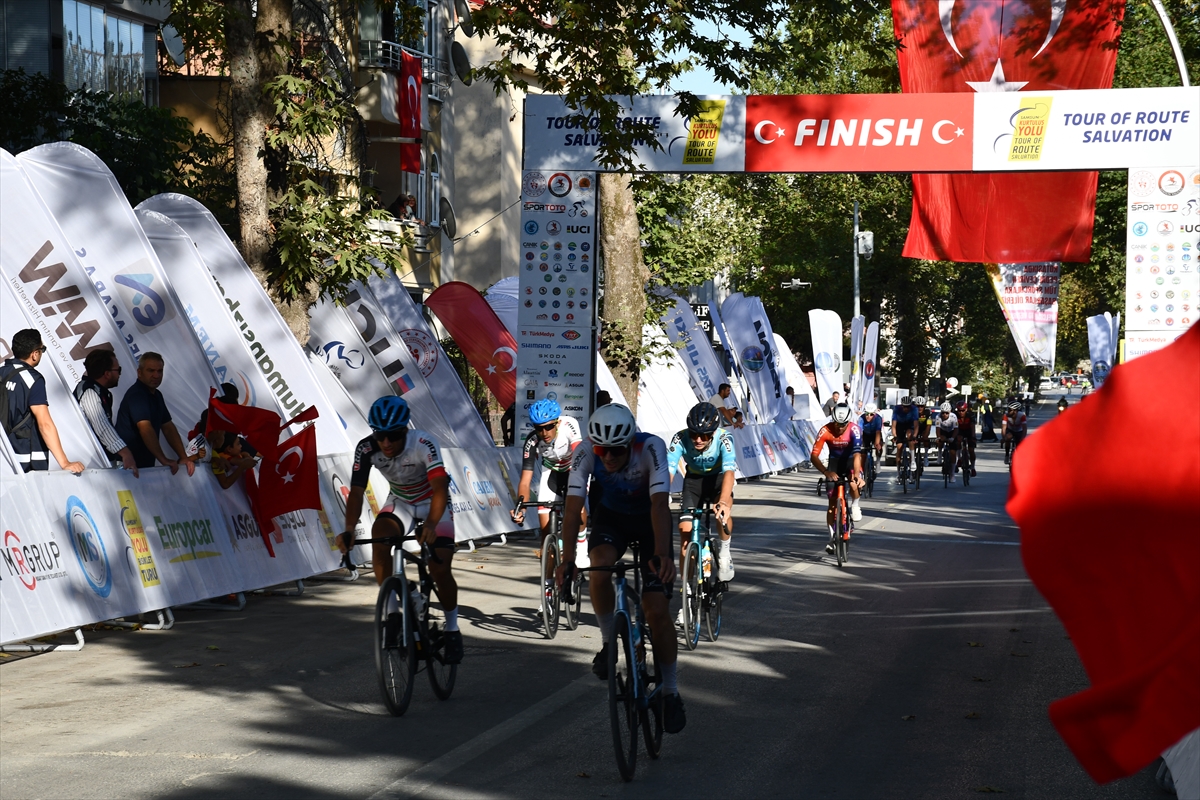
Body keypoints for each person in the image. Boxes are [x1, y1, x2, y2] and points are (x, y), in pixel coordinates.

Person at [556, 404, 684, 733]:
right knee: (597, 566)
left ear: (629, 443)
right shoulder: (585, 452)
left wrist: (661, 554)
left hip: (649, 520)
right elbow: (572, 511)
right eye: (602, 450)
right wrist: (567, 559)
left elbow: (659, 504)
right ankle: (607, 642)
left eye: (615, 451)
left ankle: (670, 692)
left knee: (656, 610)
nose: (608, 458)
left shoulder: (650, 446)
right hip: (611, 518)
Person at [336, 396, 463, 664]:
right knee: (380, 540)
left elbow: (440, 487)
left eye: (392, 436)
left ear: (405, 429)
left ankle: (452, 628)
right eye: (380, 435)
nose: (386, 443)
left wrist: (430, 524)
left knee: (440, 569)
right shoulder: (367, 448)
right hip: (401, 501)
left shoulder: (423, 443)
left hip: (433, 502)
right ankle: (393, 613)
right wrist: (348, 529)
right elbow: (357, 492)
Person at [511, 399, 586, 571]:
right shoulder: (532, 441)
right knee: (545, 533)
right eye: (538, 428)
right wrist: (521, 508)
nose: (544, 432)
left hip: (574, 468)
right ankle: (548, 585)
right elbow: (525, 480)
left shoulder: (569, 425)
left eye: (549, 426)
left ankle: (581, 542)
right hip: (550, 473)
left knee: (577, 505)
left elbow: (580, 460)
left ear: (557, 423)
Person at [667, 402, 736, 584]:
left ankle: (724, 553)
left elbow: (729, 471)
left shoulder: (725, 438)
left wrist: (722, 501)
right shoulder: (680, 438)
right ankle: (687, 594)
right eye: (694, 434)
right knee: (685, 532)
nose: (698, 439)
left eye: (704, 435)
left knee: (723, 513)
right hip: (694, 482)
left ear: (713, 432)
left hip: (719, 480)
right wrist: (662, 492)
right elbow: (669, 469)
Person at [1, 329, 85, 474]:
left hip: (4, 459)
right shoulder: (33, 379)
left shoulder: (1, 373)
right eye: (42, 349)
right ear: (34, 354)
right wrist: (64, 462)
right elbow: (44, 423)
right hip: (24, 461)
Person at [114, 352, 197, 476]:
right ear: (139, 372)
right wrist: (163, 459)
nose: (156, 375)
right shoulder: (137, 395)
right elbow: (145, 428)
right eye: (151, 370)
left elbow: (168, 427)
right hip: (126, 467)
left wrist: (183, 457)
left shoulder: (157, 395)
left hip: (144, 467)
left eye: (160, 371)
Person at [73, 348, 138, 475]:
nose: (119, 374)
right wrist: (125, 453)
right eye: (118, 370)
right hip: (87, 466)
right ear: (107, 374)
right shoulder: (89, 391)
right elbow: (101, 426)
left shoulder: (102, 392)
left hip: (98, 463)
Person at [811, 402, 864, 549]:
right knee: (832, 504)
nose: (840, 428)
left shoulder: (855, 429)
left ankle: (855, 505)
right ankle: (831, 538)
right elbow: (814, 456)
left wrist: (858, 475)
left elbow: (858, 455)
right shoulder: (825, 430)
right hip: (834, 463)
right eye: (837, 424)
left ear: (848, 421)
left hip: (850, 461)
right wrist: (826, 472)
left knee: (853, 483)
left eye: (843, 425)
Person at [890, 395, 920, 482]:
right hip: (900, 426)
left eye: (908, 407)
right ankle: (898, 473)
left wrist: (914, 436)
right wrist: (894, 436)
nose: (906, 409)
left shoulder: (914, 409)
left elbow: (916, 425)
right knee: (899, 447)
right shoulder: (897, 409)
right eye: (904, 407)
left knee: (910, 435)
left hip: (909, 425)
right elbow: (894, 425)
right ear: (901, 405)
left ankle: (913, 460)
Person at [934, 401, 960, 483]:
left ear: (950, 412)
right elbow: (937, 429)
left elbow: (956, 429)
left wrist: (952, 438)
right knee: (940, 439)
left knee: (953, 452)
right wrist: (938, 437)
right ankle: (939, 454)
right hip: (943, 431)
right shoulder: (938, 417)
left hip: (952, 431)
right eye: (943, 413)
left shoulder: (954, 417)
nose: (944, 415)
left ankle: (952, 474)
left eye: (946, 413)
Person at [1001, 400, 1028, 465]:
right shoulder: (1005, 416)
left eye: (1010, 410)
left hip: (1019, 430)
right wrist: (1003, 438)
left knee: (1020, 444)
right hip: (1010, 430)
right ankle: (1007, 455)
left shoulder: (1022, 416)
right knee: (1008, 438)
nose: (1008, 411)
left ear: (1015, 411)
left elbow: (1024, 428)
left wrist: (1023, 438)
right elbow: (1004, 428)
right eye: (1008, 409)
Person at [955, 400, 978, 476]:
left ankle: (973, 468)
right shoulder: (955, 415)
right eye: (959, 410)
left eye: (963, 410)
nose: (961, 412)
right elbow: (955, 427)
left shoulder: (970, 415)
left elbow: (972, 427)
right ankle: (959, 459)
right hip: (960, 430)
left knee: (971, 450)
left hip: (969, 431)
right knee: (958, 441)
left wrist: (973, 436)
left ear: (966, 409)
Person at [914, 396, 933, 470]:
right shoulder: (912, 412)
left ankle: (926, 456)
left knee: (926, 439)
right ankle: (912, 457)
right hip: (915, 428)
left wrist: (925, 436)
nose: (920, 408)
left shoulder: (928, 412)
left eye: (922, 406)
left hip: (924, 428)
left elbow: (929, 425)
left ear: (924, 406)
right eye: (918, 406)